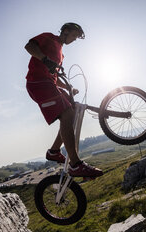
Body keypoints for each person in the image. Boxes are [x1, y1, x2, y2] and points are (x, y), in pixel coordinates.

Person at [25, 22, 103, 178]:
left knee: (72, 110)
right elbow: (29, 46)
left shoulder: (61, 53)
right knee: (66, 114)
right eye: (74, 35)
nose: (74, 39)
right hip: (38, 83)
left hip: (48, 83)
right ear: (65, 31)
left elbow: (53, 76)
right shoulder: (49, 38)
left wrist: (68, 88)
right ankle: (75, 165)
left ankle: (54, 151)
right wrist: (44, 58)